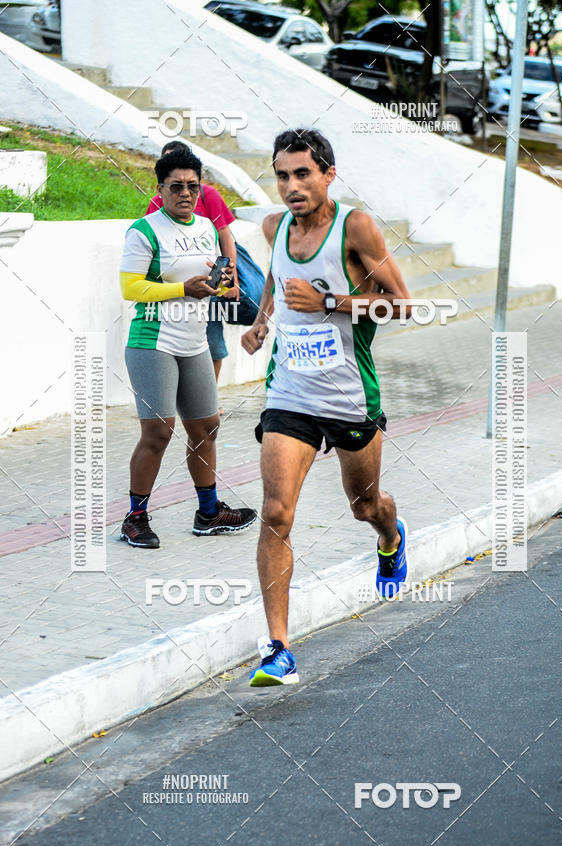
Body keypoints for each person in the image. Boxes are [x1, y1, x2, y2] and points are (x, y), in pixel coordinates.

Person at [241, 129, 412, 686]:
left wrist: (329, 302)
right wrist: (263, 318)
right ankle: (278, 649)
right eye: (282, 175)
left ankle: (390, 536)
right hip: (289, 393)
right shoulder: (273, 227)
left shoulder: (354, 227)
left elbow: (404, 307)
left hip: (348, 397)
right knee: (276, 512)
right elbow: (274, 272)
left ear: (327, 174)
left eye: (302, 174)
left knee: (365, 505)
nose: (290, 186)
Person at [119, 146, 257, 549]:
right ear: (159, 188)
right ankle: (135, 518)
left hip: (195, 342)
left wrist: (225, 284)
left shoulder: (206, 228)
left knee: (206, 428)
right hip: (152, 341)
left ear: (201, 188)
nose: (185, 193)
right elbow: (131, 287)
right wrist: (182, 288)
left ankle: (209, 513)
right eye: (176, 186)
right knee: (158, 432)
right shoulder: (143, 230)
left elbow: (213, 279)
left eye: (192, 186)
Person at [146, 140, 265, 387]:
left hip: (209, 283)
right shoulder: (156, 206)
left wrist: (229, 280)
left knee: (211, 341)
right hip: (174, 289)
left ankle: (208, 399)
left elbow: (225, 237)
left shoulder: (208, 195)